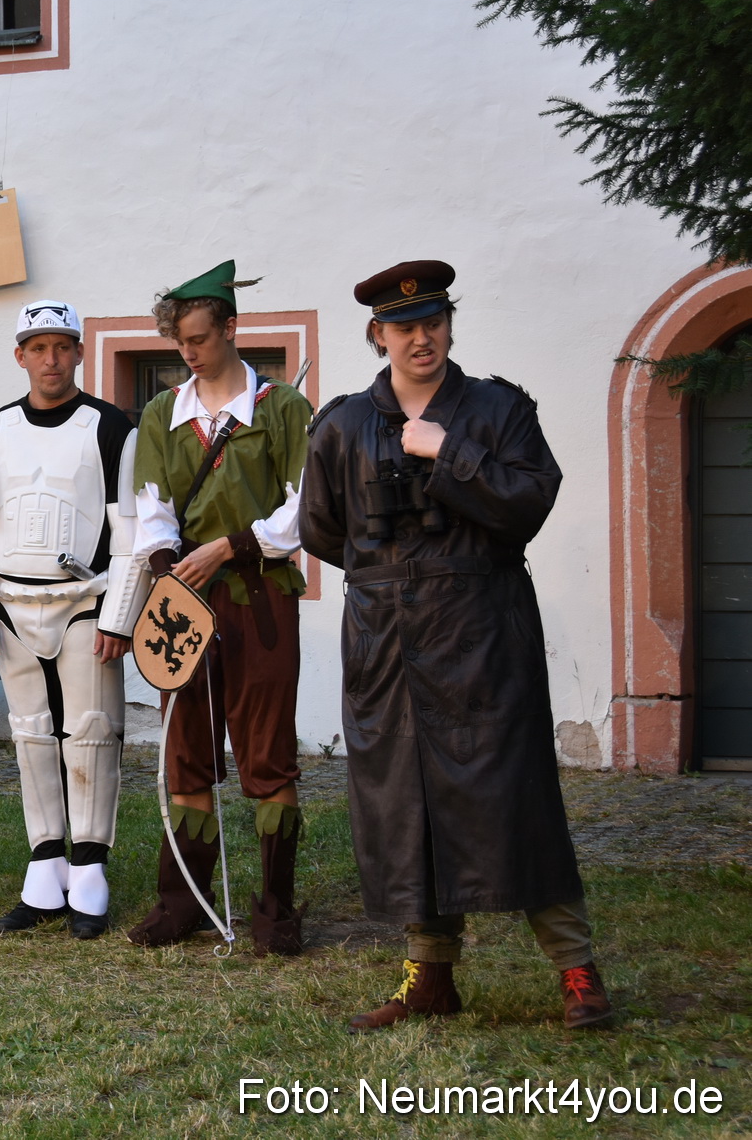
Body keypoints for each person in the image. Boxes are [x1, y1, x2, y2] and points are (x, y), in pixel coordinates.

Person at [300, 260, 611, 1030]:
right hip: (389, 645)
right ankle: (429, 975)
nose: (422, 338)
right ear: (378, 335)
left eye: (434, 322)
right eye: (405, 327)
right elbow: (323, 530)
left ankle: (577, 970)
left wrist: (450, 454)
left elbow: (529, 502)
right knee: (408, 809)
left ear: (448, 324)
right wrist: (394, 579)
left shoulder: (500, 410)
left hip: (485, 639)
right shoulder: (341, 425)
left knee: (517, 801)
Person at [125, 261, 312, 956]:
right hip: (185, 598)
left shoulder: (283, 408)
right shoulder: (161, 415)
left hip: (261, 596)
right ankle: (185, 902)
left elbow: (304, 509)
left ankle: (276, 911)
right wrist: (172, 574)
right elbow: (151, 512)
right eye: (180, 342)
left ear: (231, 328)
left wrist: (232, 546)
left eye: (200, 338)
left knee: (269, 755)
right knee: (186, 750)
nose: (189, 352)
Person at [0, 301, 149, 939]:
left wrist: (119, 617)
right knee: (32, 735)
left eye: (62, 346)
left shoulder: (112, 428)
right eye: (38, 347)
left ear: (80, 352)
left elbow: (131, 534)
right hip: (12, 608)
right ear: (20, 355)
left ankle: (90, 873)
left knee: (91, 733)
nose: (51, 359)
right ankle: (45, 869)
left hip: (86, 604)